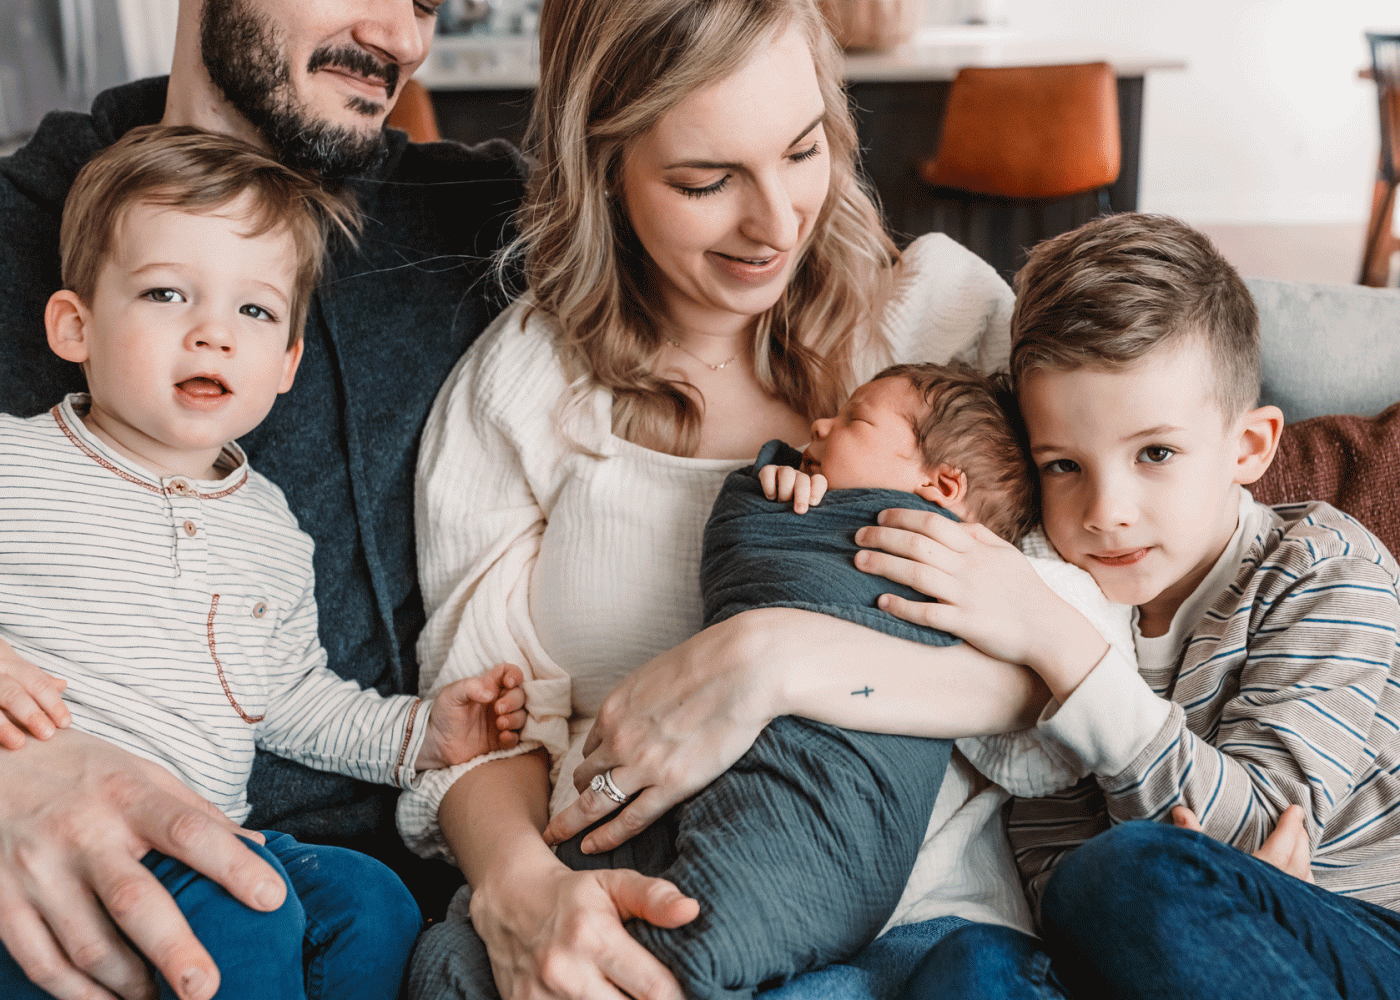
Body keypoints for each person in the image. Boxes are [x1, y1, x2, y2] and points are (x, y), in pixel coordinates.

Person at [401, 3, 1060, 1000]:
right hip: (642, 919)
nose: (776, 222)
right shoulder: (522, 391)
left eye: (800, 152)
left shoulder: (946, 326)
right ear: (602, 165)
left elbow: (1081, 652)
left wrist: (769, 662)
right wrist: (520, 884)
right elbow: (473, 726)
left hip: (931, 935)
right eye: (703, 181)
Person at [0, 1, 525, 998]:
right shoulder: (19, 442)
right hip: (79, 873)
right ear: (73, 323)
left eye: (425, 3)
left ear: (281, 356)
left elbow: (288, 693)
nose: (406, 42)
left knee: (365, 906)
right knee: (249, 912)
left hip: (255, 840)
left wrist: (424, 735)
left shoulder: (267, 528)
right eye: (165, 296)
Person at [881, 212, 1400, 1000]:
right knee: (966, 964)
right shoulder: (1048, 592)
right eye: (1063, 465)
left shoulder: (1323, 566)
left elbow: (1265, 831)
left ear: (1249, 448)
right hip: (1151, 947)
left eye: (1155, 453)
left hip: (1355, 931)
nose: (1106, 510)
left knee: (1128, 870)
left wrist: (1067, 656)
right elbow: (1050, 862)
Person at [545, 361, 1133, 1000]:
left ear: (942, 484)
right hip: (690, 791)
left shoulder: (999, 578)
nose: (820, 424)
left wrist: (779, 660)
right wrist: (768, 496)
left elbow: (1058, 722)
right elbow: (749, 555)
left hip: (886, 881)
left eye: (854, 419)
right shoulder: (798, 496)